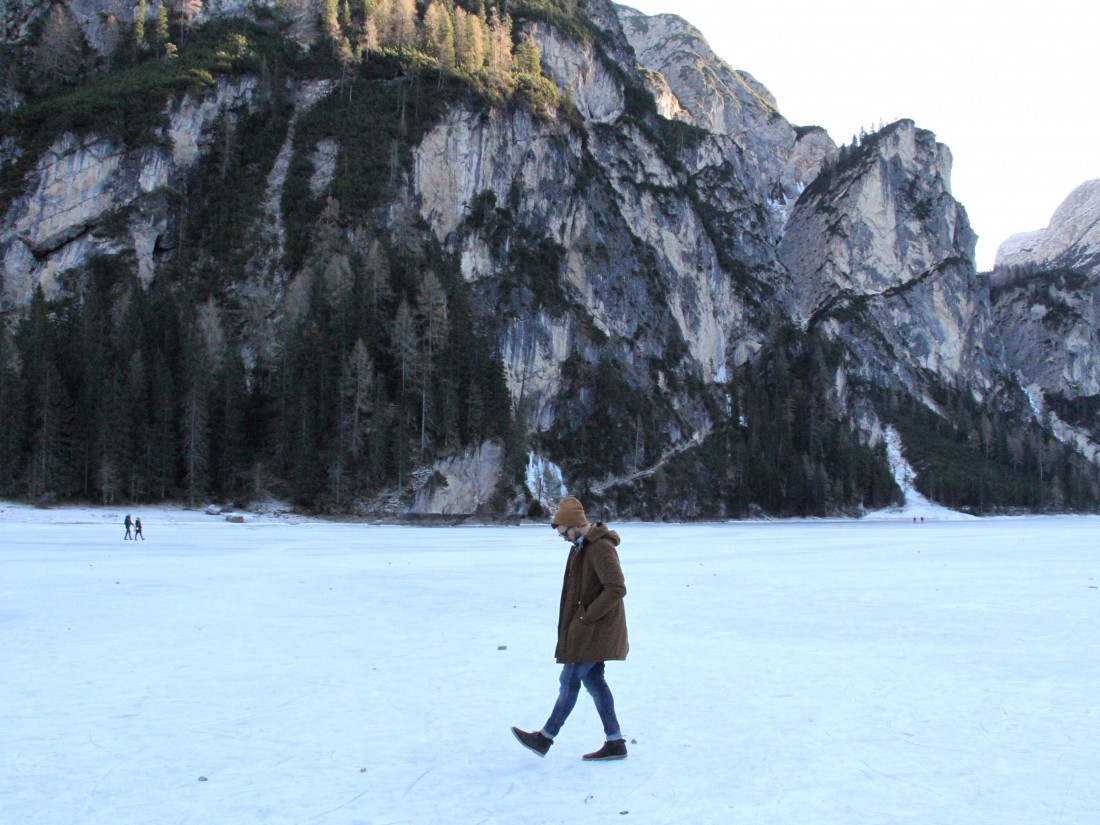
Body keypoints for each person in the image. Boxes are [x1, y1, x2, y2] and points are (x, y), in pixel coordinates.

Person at [511, 496, 629, 761]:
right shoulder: (579, 548)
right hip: (587, 630)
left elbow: (617, 588)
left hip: (594, 631)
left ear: (575, 524)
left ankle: (545, 737)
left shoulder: (599, 548)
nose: (563, 537)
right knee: (595, 682)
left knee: (570, 680)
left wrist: (586, 618)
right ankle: (615, 742)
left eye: (564, 531)